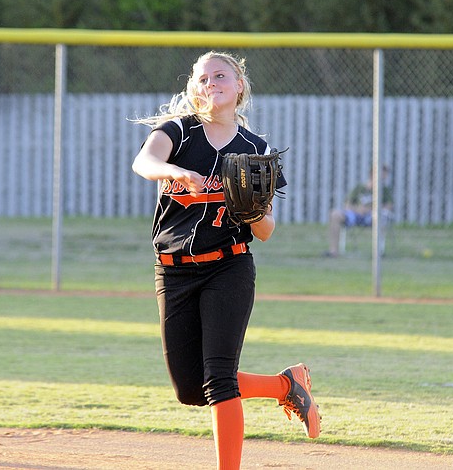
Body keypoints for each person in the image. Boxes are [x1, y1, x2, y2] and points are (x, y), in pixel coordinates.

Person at [132, 51, 321, 470]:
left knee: (219, 378)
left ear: (239, 86)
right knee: (190, 389)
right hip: (174, 270)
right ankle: (285, 386)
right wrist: (175, 172)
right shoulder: (178, 132)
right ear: (193, 89)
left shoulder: (255, 150)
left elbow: (266, 230)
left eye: (220, 75)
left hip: (228, 267)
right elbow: (143, 162)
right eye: (202, 78)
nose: (210, 83)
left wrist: (251, 211)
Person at [325, 165, 393, 257]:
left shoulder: (384, 190)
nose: (383, 177)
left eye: (385, 175)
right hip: (355, 215)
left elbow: (389, 206)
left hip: (371, 216)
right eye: (382, 174)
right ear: (372, 173)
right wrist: (358, 209)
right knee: (334, 214)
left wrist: (370, 209)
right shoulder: (360, 188)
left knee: (381, 217)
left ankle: (378, 253)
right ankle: (333, 251)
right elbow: (347, 205)